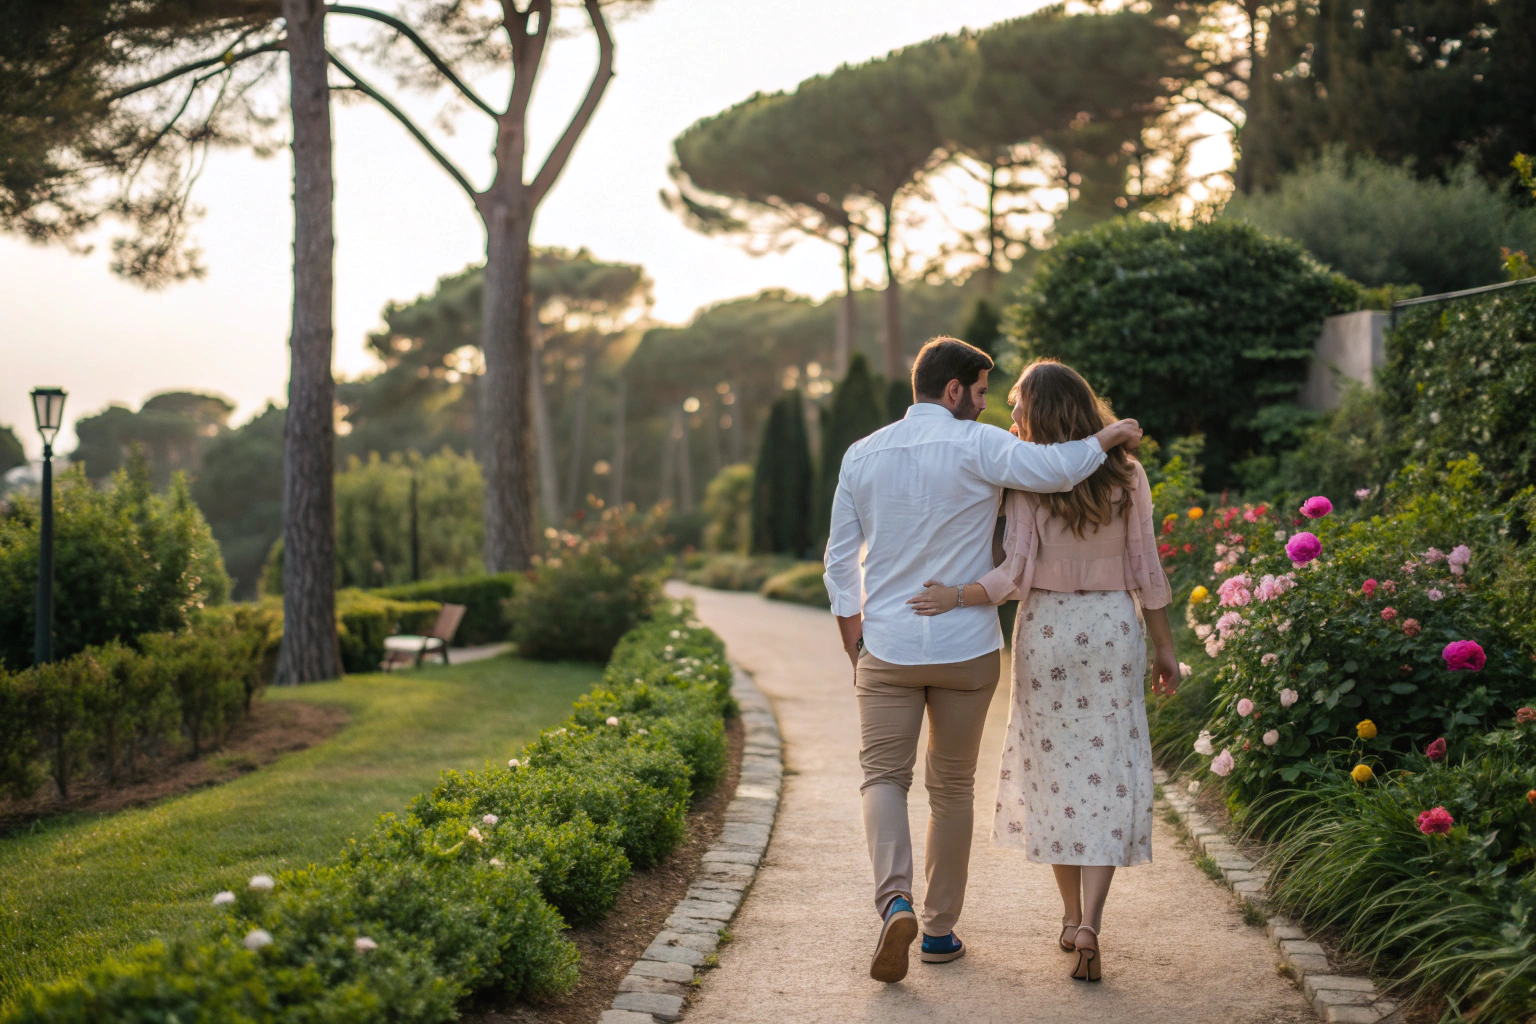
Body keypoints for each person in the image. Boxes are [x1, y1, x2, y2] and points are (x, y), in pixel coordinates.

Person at [823, 338, 1143, 984]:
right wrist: (1108, 437)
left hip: (886, 643)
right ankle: (938, 932)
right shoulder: (981, 445)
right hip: (967, 647)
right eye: (980, 391)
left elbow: (838, 557)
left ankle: (895, 901)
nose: (986, 403)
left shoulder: (862, 453)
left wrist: (852, 634)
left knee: (883, 778)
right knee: (952, 790)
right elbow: (1058, 471)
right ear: (953, 391)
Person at [908, 358, 1178, 984]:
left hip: (1047, 633)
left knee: (1054, 771)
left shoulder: (1027, 483)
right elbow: (1148, 571)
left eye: (1016, 407)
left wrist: (957, 595)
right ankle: (1090, 923)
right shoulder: (1128, 475)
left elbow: (1012, 576)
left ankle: (1065, 916)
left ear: (1040, 413)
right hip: (1112, 626)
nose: (1010, 417)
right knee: (1107, 769)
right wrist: (1164, 648)